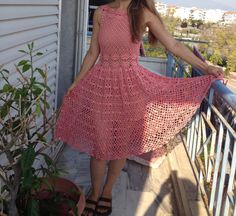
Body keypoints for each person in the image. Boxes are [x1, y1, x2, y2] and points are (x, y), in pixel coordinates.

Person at [53, 0, 224, 215]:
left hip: (131, 90)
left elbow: (174, 46)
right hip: (102, 87)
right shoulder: (102, 13)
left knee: (121, 145)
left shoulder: (143, 13)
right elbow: (92, 53)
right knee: (100, 145)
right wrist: (76, 83)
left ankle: (107, 191)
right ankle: (94, 193)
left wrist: (205, 67)